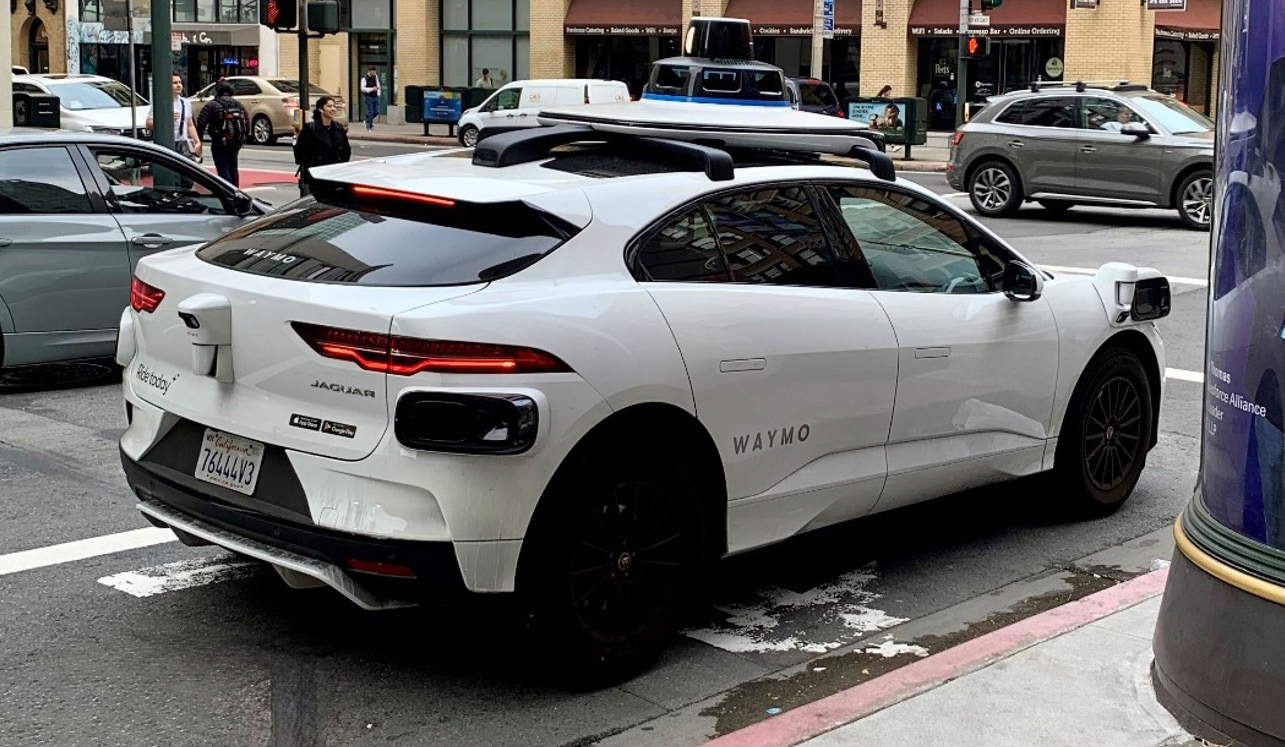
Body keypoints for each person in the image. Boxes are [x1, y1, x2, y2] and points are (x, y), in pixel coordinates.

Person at [293, 96, 351, 198]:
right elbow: (300, 151)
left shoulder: (339, 128)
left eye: (334, 106)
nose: (333, 109)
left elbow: (346, 150)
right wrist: (312, 166)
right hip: (318, 176)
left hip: (335, 175)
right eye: (329, 106)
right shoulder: (310, 128)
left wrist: (341, 164)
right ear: (321, 109)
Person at [195, 83, 249, 186]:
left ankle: (227, 192)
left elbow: (201, 123)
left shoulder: (212, 105)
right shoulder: (238, 105)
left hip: (219, 141)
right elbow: (246, 123)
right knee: (233, 169)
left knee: (223, 169)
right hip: (235, 142)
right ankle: (235, 191)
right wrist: (242, 138)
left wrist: (199, 141)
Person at [146, 73, 201, 163]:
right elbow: (148, 124)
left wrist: (197, 141)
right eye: (175, 83)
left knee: (189, 172)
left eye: (180, 82)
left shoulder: (186, 103)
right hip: (166, 144)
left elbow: (190, 124)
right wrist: (165, 119)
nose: (179, 85)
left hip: (183, 143)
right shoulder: (160, 103)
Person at [360, 66, 381, 131]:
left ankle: (367, 120)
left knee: (376, 112)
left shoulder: (376, 77)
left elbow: (378, 85)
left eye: (375, 71)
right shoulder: (364, 78)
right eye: (373, 71)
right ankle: (370, 127)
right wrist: (371, 89)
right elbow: (362, 89)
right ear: (370, 71)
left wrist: (378, 93)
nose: (374, 72)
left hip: (375, 96)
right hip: (368, 97)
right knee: (371, 111)